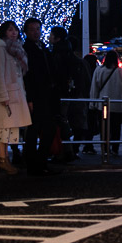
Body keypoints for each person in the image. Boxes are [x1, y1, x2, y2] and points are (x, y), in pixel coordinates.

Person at [0, 22, 30, 174]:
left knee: (8, 128)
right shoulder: (0, 48)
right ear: (3, 32)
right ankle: (3, 160)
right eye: (10, 30)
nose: (14, 32)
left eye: (15, 30)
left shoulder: (15, 48)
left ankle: (4, 159)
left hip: (14, 94)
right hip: (6, 96)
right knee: (1, 127)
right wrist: (3, 95)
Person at [21, 18, 60, 175]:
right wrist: (29, 98)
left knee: (47, 128)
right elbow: (27, 76)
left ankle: (40, 161)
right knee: (35, 129)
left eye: (38, 28)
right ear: (26, 32)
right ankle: (34, 163)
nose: (36, 32)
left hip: (47, 94)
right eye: (32, 29)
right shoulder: (26, 50)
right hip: (36, 95)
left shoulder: (43, 47)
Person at [50, 28, 86, 163]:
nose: (49, 37)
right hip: (71, 93)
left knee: (60, 121)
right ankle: (68, 150)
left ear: (57, 38)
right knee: (65, 121)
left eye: (51, 35)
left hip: (59, 93)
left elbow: (56, 73)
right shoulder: (70, 54)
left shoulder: (57, 53)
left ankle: (62, 151)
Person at [89, 50, 122, 156]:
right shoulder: (121, 72)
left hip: (102, 105)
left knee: (104, 128)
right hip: (117, 105)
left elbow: (94, 88)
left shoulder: (99, 70)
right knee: (116, 128)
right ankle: (115, 149)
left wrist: (93, 103)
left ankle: (105, 149)